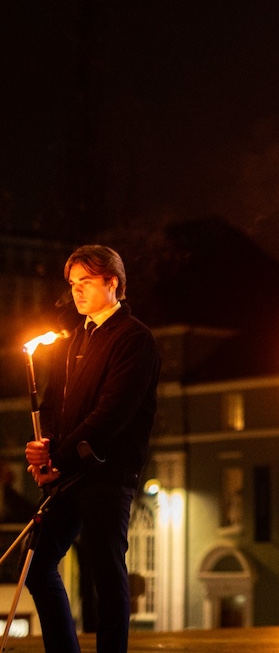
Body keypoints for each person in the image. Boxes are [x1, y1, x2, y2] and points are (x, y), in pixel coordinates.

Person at [24, 245, 160, 653]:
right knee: (36, 566)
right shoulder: (72, 339)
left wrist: (59, 460)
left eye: (86, 282)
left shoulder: (135, 339)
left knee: (106, 575)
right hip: (67, 474)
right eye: (72, 283)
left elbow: (110, 414)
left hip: (107, 476)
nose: (77, 291)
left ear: (112, 283)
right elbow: (51, 404)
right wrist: (45, 450)